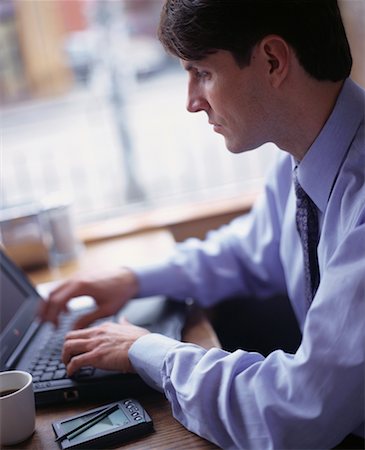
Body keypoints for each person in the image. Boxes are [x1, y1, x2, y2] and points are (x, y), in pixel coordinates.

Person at [39, 0, 365, 448]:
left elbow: (297, 410)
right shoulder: (304, 157)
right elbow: (249, 252)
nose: (192, 102)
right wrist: (133, 279)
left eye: (203, 73)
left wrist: (145, 350)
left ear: (272, 60)